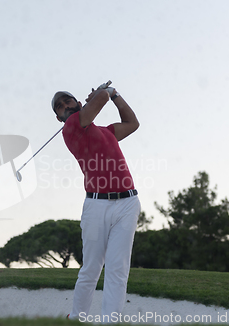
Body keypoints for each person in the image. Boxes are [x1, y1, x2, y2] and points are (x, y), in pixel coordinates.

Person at [51, 83, 141, 322]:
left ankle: (109, 321)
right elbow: (101, 98)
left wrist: (116, 96)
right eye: (59, 107)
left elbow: (133, 124)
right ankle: (77, 317)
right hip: (96, 206)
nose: (64, 107)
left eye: (67, 101)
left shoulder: (107, 131)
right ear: (60, 118)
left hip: (127, 203)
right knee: (91, 268)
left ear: (78, 103)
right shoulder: (70, 128)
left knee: (117, 270)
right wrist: (104, 93)